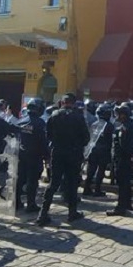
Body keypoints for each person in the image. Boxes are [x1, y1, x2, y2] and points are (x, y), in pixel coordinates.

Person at [37, 93, 90, 226]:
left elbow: (48, 134)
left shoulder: (54, 115)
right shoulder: (78, 117)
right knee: (72, 183)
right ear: (73, 103)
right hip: (73, 154)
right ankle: (72, 212)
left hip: (58, 152)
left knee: (53, 183)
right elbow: (86, 138)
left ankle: (43, 213)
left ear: (62, 102)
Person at [16, 98, 48, 213]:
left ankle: (17, 202)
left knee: (20, 179)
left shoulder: (21, 121)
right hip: (35, 156)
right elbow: (43, 141)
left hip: (21, 155)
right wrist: (47, 156)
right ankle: (31, 204)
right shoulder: (40, 123)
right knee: (32, 181)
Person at [109, 102, 133, 216]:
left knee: (122, 183)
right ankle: (127, 204)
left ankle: (120, 207)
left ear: (124, 115)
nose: (118, 116)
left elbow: (123, 145)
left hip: (122, 159)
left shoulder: (125, 127)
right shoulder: (129, 125)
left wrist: (120, 157)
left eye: (120, 114)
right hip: (126, 158)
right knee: (126, 183)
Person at [83, 103, 114, 197]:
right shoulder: (109, 125)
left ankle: (86, 188)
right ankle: (97, 190)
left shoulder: (95, 124)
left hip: (93, 150)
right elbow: (110, 140)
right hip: (103, 151)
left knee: (91, 170)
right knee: (100, 171)